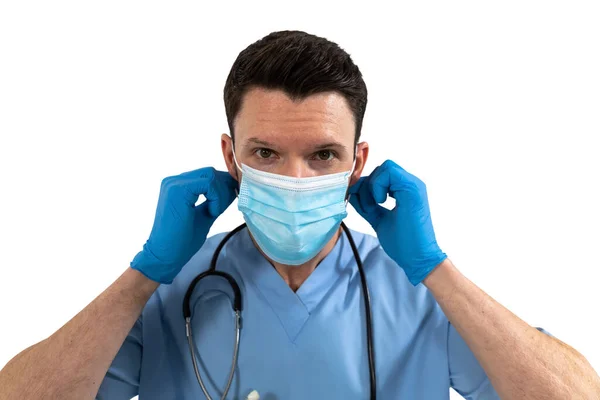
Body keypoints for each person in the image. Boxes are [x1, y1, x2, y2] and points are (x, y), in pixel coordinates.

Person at [1, 30, 598, 400]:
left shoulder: (420, 295)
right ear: (229, 157)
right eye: (265, 153)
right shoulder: (169, 292)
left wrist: (435, 268)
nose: (294, 180)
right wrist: (144, 273)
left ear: (357, 162)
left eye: (322, 155)